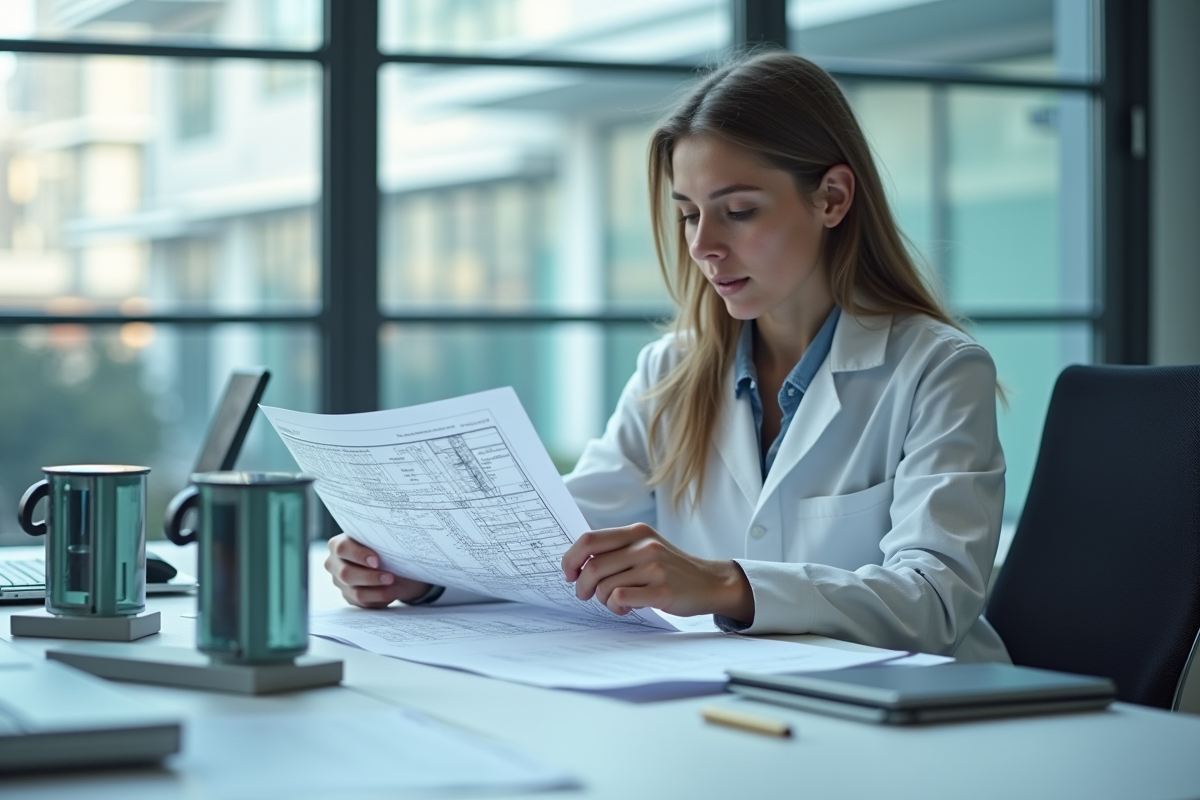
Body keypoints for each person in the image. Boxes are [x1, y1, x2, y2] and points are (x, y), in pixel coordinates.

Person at [324, 50, 1010, 662]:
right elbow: (558, 542)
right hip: (732, 705)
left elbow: (937, 601)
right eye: (688, 213)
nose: (703, 245)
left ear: (831, 198)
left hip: (923, 720)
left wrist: (721, 583)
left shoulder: (939, 370)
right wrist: (423, 572)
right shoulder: (671, 369)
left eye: (737, 211)